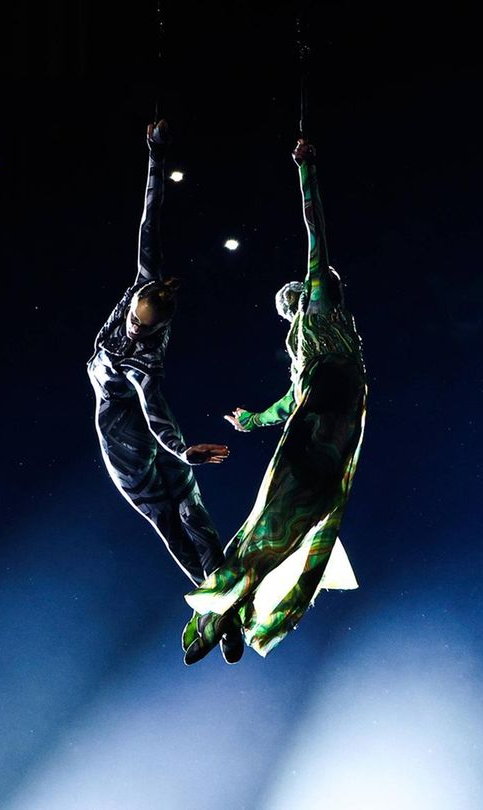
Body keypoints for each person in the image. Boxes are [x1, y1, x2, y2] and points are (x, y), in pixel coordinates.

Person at [182, 137, 367, 663]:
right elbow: (289, 400)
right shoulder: (313, 345)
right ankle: (231, 611)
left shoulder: (324, 310)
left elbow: (316, 231)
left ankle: (228, 608)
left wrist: (307, 166)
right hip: (330, 426)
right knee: (280, 523)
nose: (289, 305)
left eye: (292, 299)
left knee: (290, 522)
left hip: (326, 427)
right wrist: (252, 418)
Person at [87, 121, 242, 662]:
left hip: (126, 435)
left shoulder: (144, 362)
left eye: (139, 328)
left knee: (175, 511)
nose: (131, 328)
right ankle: (219, 602)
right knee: (180, 510)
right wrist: (155, 153)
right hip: (137, 428)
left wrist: (182, 449)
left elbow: (153, 415)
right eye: (131, 319)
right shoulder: (144, 284)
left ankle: (218, 600)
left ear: (155, 332)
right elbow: (148, 222)